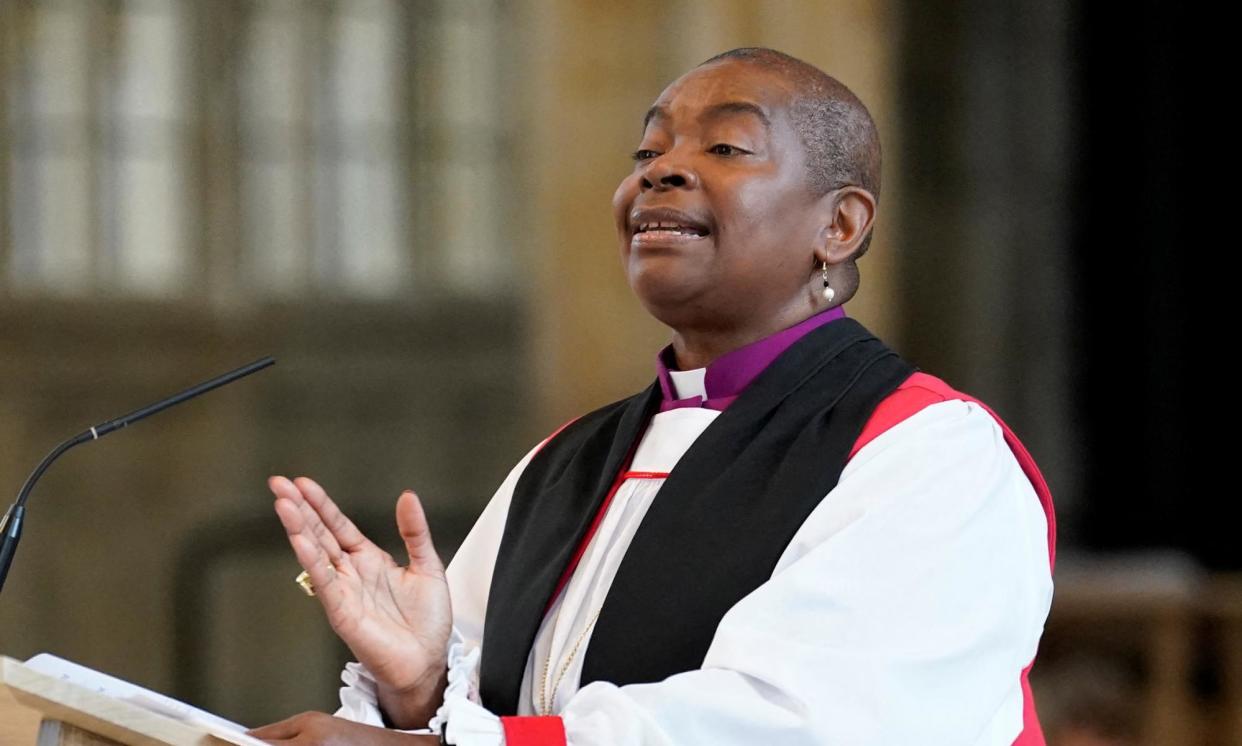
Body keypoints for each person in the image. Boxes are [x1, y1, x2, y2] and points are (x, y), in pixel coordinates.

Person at [249, 47, 1056, 746]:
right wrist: (418, 690)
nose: (662, 169)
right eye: (647, 150)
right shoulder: (565, 461)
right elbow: (489, 717)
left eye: (728, 146)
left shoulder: (927, 453)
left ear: (839, 226)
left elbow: (803, 725)